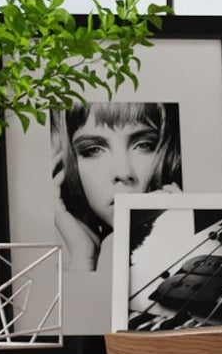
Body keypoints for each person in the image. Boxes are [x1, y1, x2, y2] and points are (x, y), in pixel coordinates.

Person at [48, 100, 180, 273]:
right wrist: (84, 259)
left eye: (144, 145)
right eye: (93, 150)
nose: (123, 173)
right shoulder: (67, 269)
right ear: (65, 168)